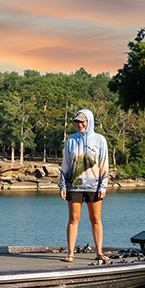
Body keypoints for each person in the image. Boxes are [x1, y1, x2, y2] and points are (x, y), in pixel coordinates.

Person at [59, 108, 109, 262]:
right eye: (77, 122)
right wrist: (62, 185)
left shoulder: (100, 140)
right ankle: (70, 253)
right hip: (74, 185)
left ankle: (99, 252)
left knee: (95, 219)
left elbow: (104, 165)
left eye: (82, 121)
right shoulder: (71, 140)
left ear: (89, 121)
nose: (80, 124)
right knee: (73, 219)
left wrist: (103, 186)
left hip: (94, 186)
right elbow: (66, 164)